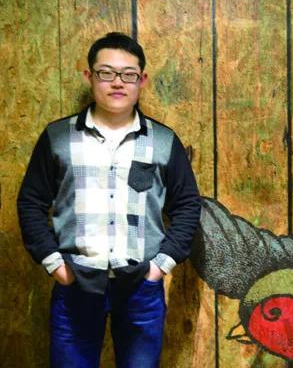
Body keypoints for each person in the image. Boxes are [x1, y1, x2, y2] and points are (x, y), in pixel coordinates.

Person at [17, 32, 202, 367]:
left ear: (142, 80)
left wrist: (160, 267)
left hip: (141, 285)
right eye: (106, 73)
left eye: (128, 74)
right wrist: (55, 265)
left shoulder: (163, 141)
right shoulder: (57, 138)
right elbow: (31, 202)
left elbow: (188, 205)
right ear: (89, 76)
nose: (117, 82)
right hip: (75, 281)